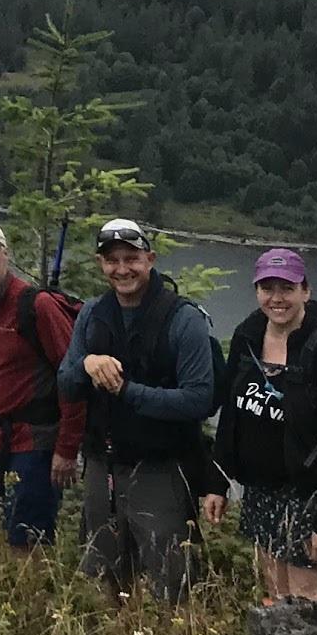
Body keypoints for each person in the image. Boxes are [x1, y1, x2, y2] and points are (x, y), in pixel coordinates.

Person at [55, 217, 219, 604]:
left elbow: (199, 398)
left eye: (132, 258)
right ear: (101, 264)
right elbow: (64, 382)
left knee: (171, 582)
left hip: (161, 468)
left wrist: (127, 390)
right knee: (104, 574)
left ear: (150, 258)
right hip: (102, 465)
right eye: (112, 260)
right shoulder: (93, 314)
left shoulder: (184, 320)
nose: (122, 269)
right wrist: (87, 365)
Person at [209, 247, 317, 603]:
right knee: (275, 595)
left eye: (287, 288)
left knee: (309, 605)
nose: (277, 299)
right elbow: (232, 414)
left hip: (311, 497)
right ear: (257, 291)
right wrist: (218, 479)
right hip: (262, 491)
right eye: (267, 288)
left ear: (305, 290)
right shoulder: (248, 337)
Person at [0, 219, 84, 547]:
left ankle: (33, 597)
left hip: (36, 445)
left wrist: (67, 449)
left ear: (5, 254)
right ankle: (4, 597)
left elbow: (74, 378)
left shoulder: (36, 306)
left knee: (27, 539)